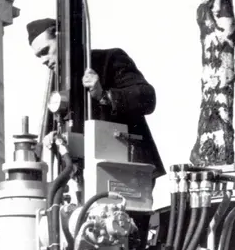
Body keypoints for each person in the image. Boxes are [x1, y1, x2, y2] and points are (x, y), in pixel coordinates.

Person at [26, 17, 165, 179]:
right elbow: (51, 132)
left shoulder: (110, 59)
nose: (43, 61)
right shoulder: (57, 85)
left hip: (127, 171)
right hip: (82, 176)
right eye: (39, 56)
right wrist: (50, 137)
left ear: (62, 39)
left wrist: (104, 95)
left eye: (45, 51)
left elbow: (148, 98)